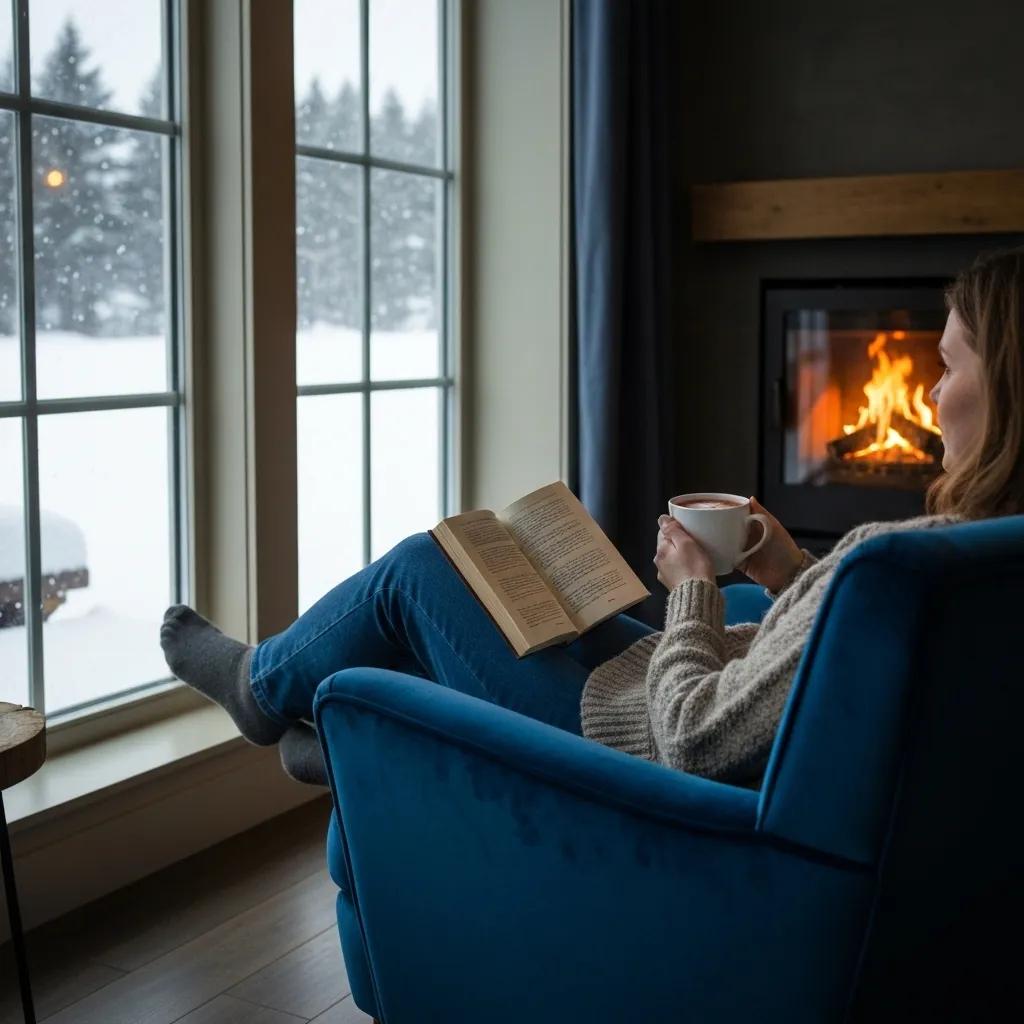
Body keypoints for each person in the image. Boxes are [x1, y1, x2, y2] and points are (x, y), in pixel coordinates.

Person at [160, 247, 1024, 790]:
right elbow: (843, 656)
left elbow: (698, 738)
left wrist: (692, 590)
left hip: (636, 747)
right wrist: (788, 575)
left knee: (423, 572)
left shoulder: (899, 556)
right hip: (659, 694)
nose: (930, 394)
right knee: (514, 589)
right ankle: (346, 741)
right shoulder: (978, 560)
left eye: (947, 367)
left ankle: (265, 690)